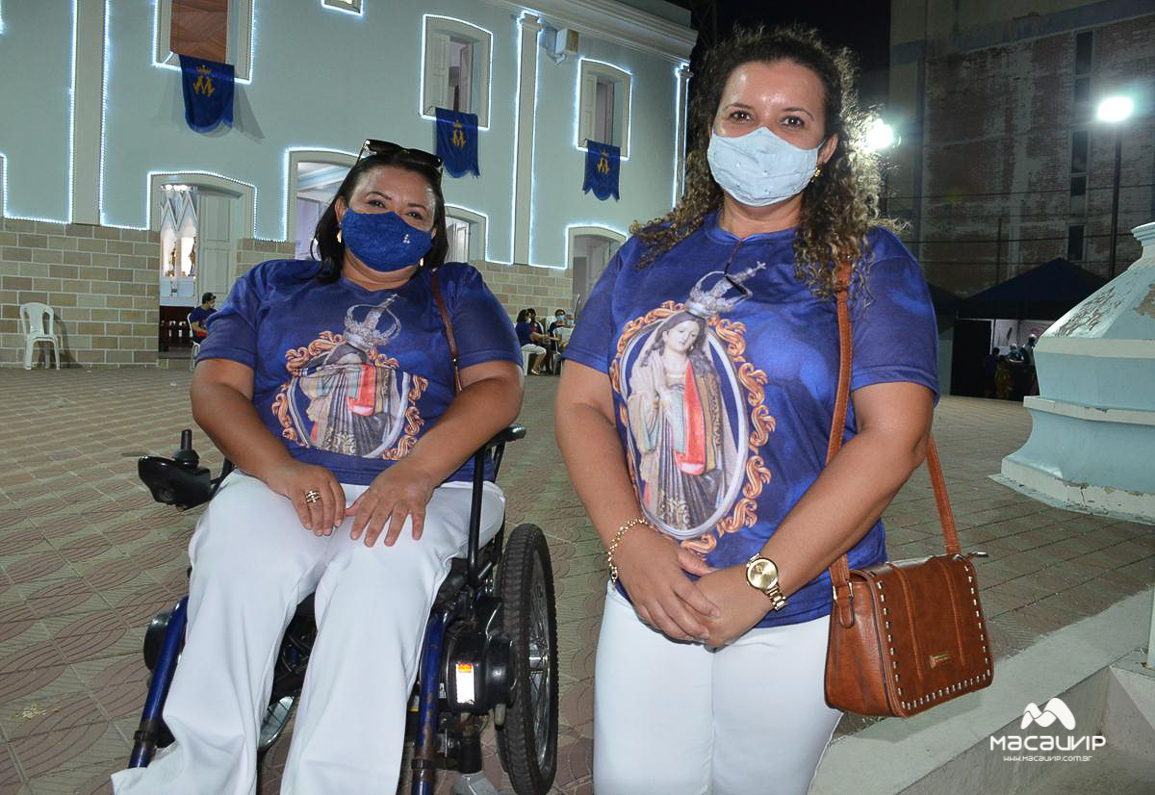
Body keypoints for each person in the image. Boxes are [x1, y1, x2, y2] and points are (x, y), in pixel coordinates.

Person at [556, 25, 938, 795]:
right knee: (632, 781)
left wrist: (762, 579)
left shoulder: (866, 261)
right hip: (651, 592)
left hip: (796, 606)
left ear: (825, 149)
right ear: (710, 130)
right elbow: (581, 401)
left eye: (791, 120)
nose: (761, 136)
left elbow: (893, 436)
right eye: (740, 115)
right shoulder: (646, 255)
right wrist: (628, 541)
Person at [111, 140, 523, 795]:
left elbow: (497, 386)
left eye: (416, 214)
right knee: (238, 554)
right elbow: (216, 388)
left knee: (379, 572)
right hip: (283, 482)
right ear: (340, 211)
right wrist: (279, 469)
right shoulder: (270, 284)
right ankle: (200, 776)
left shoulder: (456, 291)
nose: (394, 220)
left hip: (426, 484)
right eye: (376, 202)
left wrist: (415, 472)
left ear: (433, 234)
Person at [515, 307, 553, 374]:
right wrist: (544, 336)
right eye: (528, 316)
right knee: (543, 351)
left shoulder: (519, 324)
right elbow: (533, 334)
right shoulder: (525, 325)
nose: (529, 318)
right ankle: (534, 368)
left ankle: (537, 368)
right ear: (525, 316)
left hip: (521, 344)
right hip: (524, 344)